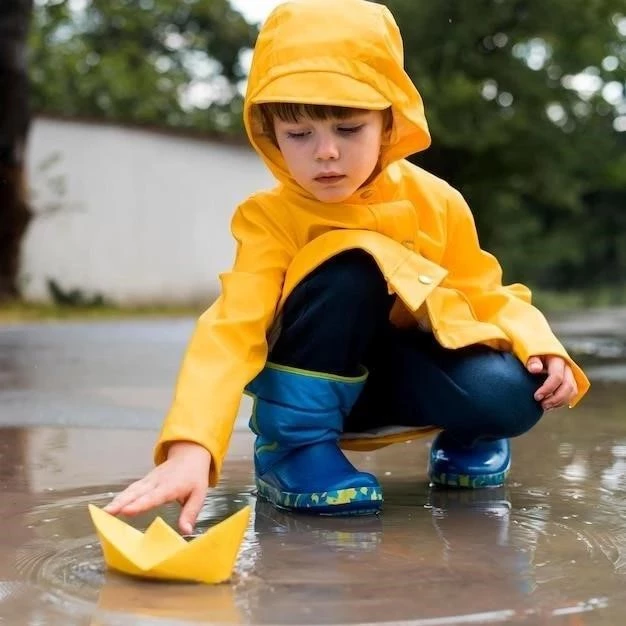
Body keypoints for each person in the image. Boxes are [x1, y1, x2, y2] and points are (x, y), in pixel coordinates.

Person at [105, 0, 590, 533]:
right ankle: (293, 450)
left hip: (404, 375)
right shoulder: (270, 218)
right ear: (270, 133)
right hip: (315, 385)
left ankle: (469, 434)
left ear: (387, 123)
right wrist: (190, 446)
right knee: (353, 262)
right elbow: (230, 328)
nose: (326, 153)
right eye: (300, 134)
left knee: (513, 395)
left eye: (348, 128)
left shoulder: (439, 200)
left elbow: (485, 292)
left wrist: (542, 345)